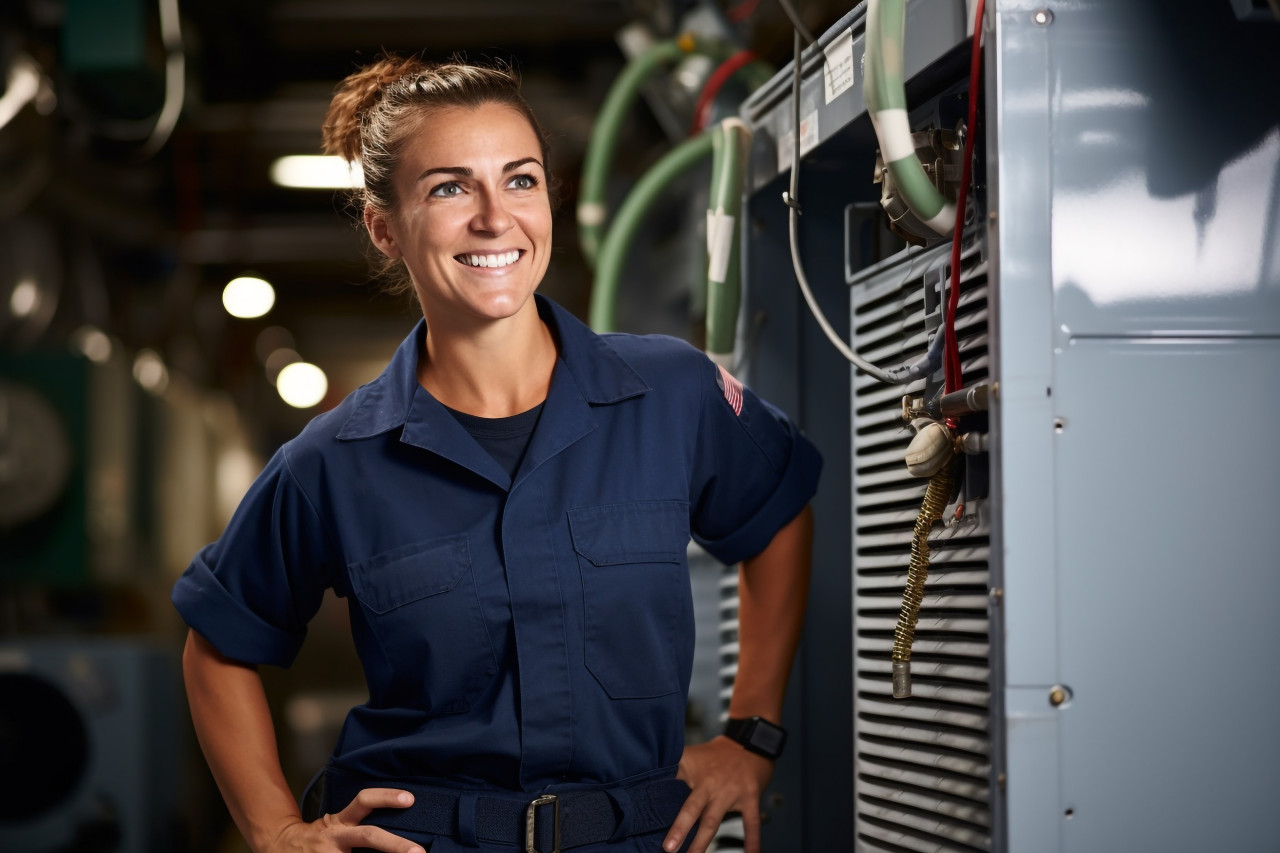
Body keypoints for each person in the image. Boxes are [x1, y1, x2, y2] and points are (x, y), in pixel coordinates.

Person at [174, 54, 820, 853]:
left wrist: (750, 733)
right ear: (385, 227)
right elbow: (218, 646)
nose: (495, 217)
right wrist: (276, 832)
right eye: (449, 187)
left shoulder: (672, 393)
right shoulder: (333, 459)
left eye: (520, 180)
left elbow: (778, 512)